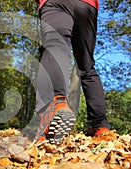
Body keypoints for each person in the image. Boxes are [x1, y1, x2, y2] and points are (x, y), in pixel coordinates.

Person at [34, 0, 111, 143]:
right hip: (87, 5)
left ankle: (56, 105)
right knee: (87, 66)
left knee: (55, 47)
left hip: (55, 3)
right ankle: (101, 126)